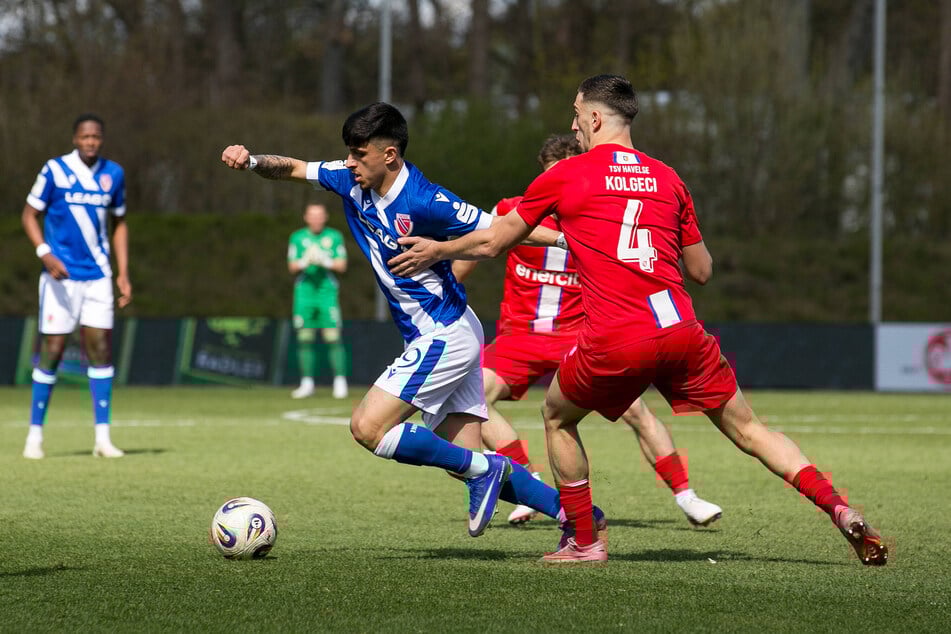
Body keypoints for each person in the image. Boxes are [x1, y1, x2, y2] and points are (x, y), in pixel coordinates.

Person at [388, 75, 888, 566]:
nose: (574, 125)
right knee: (750, 430)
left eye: (576, 114)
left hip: (617, 334)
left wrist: (440, 247)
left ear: (595, 116)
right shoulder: (669, 178)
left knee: (558, 417)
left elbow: (494, 241)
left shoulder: (564, 174)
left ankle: (585, 540)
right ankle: (838, 507)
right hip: (682, 330)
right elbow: (703, 271)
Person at [221, 102, 576, 539]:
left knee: (368, 428)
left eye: (358, 154)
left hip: (445, 332)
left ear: (389, 155)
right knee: (461, 461)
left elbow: (499, 229)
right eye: (347, 154)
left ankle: (488, 468)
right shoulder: (349, 180)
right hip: (442, 331)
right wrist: (252, 160)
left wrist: (565, 240)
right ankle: (577, 517)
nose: (348, 163)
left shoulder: (426, 200)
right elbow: (293, 168)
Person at [453, 134, 721, 528]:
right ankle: (529, 483)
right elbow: (472, 255)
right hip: (520, 337)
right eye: (550, 175)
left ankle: (687, 496)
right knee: (473, 397)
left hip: (580, 336)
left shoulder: (596, 216)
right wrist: (445, 297)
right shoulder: (513, 210)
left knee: (636, 410)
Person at [21, 113, 131, 460]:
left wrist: (123, 273)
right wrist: (44, 253)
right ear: (75, 139)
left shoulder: (113, 174)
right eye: (85, 136)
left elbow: (120, 223)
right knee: (52, 350)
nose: (91, 142)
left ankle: (103, 438)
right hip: (60, 277)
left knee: (100, 349)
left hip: (98, 275)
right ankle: (35, 436)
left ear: (102, 139)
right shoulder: (54, 170)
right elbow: (28, 214)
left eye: (96, 136)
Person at [287, 202, 349, 399]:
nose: (316, 219)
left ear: (325, 217)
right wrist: (305, 261)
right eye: (312, 215)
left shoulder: (334, 236)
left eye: (319, 215)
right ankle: (307, 383)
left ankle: (340, 382)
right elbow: (292, 267)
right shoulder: (297, 237)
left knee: (333, 337)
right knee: (305, 338)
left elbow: (342, 265)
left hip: (326, 292)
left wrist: (325, 260)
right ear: (306, 217)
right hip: (304, 293)